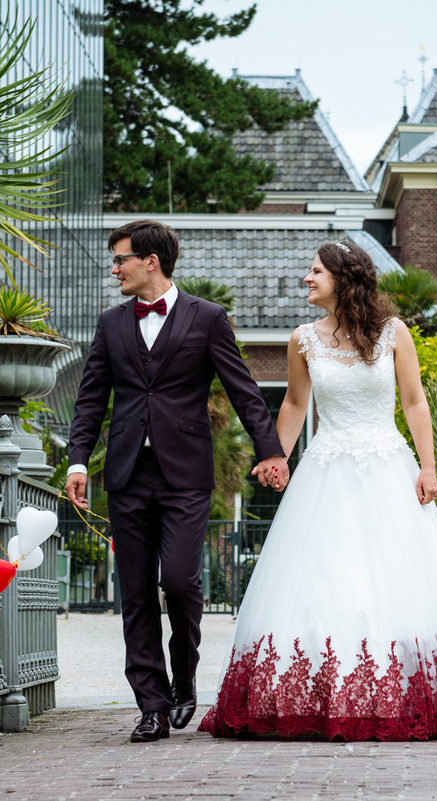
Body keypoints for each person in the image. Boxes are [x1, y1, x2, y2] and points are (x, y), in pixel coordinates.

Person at [199, 240, 437, 740]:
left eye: (315, 271)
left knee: (395, 581)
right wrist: (276, 456)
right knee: (327, 579)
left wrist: (427, 467)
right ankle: (326, 698)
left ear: (343, 279)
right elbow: (295, 407)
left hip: (388, 467)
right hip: (326, 471)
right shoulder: (303, 339)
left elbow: (415, 402)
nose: (307, 279)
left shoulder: (393, 333)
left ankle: (402, 696)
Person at [66, 220, 290, 743]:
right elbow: (91, 400)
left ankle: (184, 677)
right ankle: (151, 704)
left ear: (150, 261)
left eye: (120, 259)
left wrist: (271, 451)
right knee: (137, 593)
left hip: (186, 473)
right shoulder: (110, 323)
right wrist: (79, 461)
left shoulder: (207, 318)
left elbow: (244, 391)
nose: (114, 269)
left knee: (182, 581)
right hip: (125, 473)